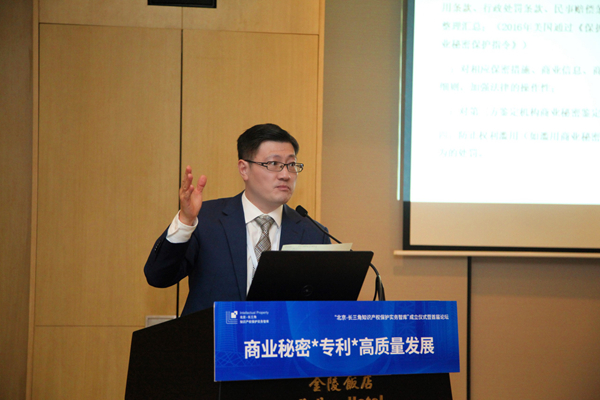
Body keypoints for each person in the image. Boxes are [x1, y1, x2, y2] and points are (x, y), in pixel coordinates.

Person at [144, 123, 331, 315]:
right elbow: (158, 277)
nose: (285, 175)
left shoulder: (314, 234)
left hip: (281, 335)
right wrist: (185, 221)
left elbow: (324, 309)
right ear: (244, 169)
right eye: (274, 164)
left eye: (291, 165)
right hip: (215, 334)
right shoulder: (206, 220)